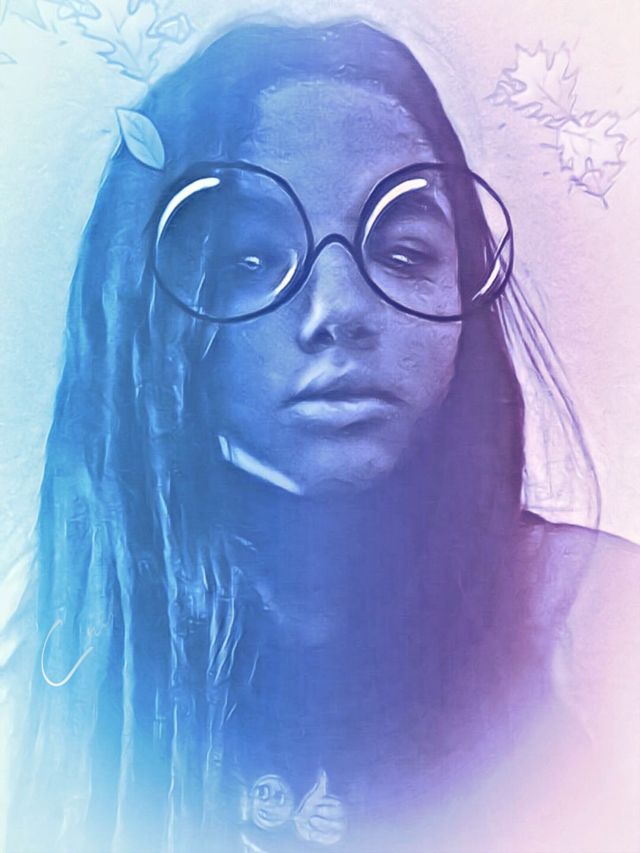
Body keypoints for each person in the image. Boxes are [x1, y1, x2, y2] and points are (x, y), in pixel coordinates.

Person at [8, 18, 639, 853]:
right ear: (150, 316)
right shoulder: (55, 689)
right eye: (248, 261)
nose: (339, 308)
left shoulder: (603, 628)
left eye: (404, 253)